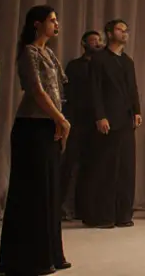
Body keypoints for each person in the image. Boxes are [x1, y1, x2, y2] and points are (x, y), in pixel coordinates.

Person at [0, 5, 70, 276]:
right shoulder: (28, 53)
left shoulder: (49, 53)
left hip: (49, 125)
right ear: (37, 24)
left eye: (56, 19)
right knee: (33, 192)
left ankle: (51, 254)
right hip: (32, 127)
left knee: (50, 189)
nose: (57, 23)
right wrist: (60, 119)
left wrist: (61, 118)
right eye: (52, 19)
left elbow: (60, 88)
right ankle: (28, 259)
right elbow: (37, 91)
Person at [82, 18, 142, 229]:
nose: (125, 33)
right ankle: (104, 215)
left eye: (127, 30)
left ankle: (123, 214)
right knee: (107, 168)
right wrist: (100, 116)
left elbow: (132, 88)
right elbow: (95, 90)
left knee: (126, 168)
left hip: (126, 120)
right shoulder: (99, 59)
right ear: (109, 33)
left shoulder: (128, 61)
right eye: (120, 29)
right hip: (108, 119)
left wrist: (137, 111)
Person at [59, 30, 102, 221]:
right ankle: (57, 206)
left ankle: (85, 208)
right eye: (93, 41)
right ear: (84, 43)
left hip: (96, 121)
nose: (97, 43)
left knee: (91, 167)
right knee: (68, 164)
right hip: (76, 120)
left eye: (99, 41)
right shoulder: (75, 66)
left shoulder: (102, 65)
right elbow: (68, 91)